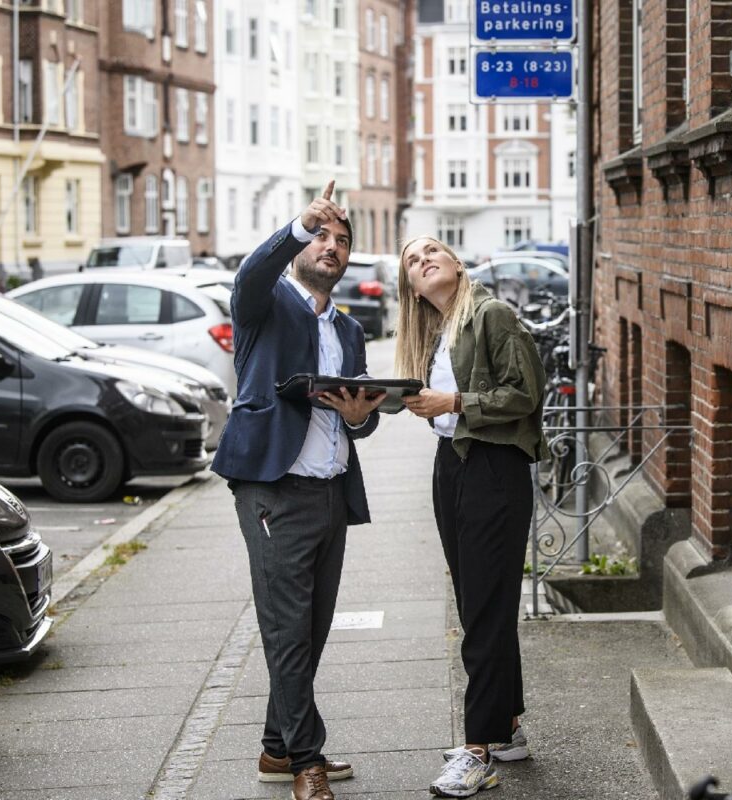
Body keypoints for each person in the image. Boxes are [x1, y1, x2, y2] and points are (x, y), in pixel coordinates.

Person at [211, 180, 386, 800]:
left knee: (308, 628)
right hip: (273, 490)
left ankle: (275, 747)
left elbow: (356, 421)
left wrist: (363, 411)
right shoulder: (265, 304)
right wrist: (298, 221)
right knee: (286, 627)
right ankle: (306, 761)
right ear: (301, 247)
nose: (330, 246)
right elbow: (250, 272)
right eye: (321, 237)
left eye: (341, 240)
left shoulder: (352, 331)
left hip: (332, 491)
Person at [394, 236, 549, 798]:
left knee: (483, 610)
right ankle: (505, 728)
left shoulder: (492, 314)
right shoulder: (437, 331)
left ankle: (479, 749)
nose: (424, 259)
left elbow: (525, 394)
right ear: (410, 286)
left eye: (433, 250)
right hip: (453, 465)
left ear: (457, 263)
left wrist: (455, 404)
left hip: (493, 469)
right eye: (412, 260)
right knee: (479, 602)